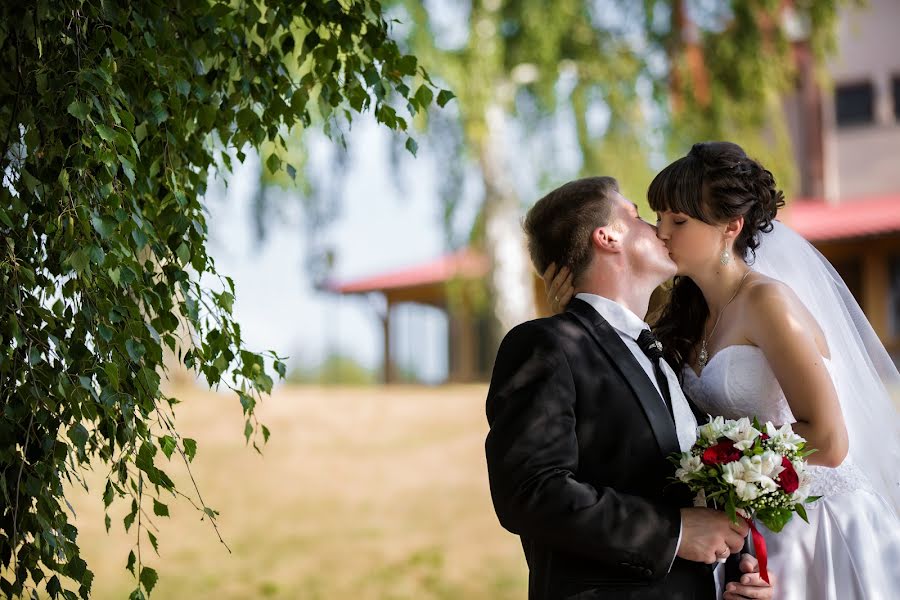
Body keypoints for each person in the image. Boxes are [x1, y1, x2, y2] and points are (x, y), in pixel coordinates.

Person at [545, 142, 900, 599]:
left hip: (820, 523)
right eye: (659, 217)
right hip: (751, 530)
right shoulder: (682, 319)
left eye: (679, 221)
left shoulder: (767, 302)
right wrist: (571, 316)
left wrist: (730, 469)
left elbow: (830, 441)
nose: (661, 232)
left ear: (730, 227)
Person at [485, 176, 775, 599]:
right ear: (607, 237)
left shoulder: (665, 360)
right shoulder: (547, 345)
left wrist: (737, 570)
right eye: (638, 216)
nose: (659, 230)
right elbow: (529, 491)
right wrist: (673, 532)